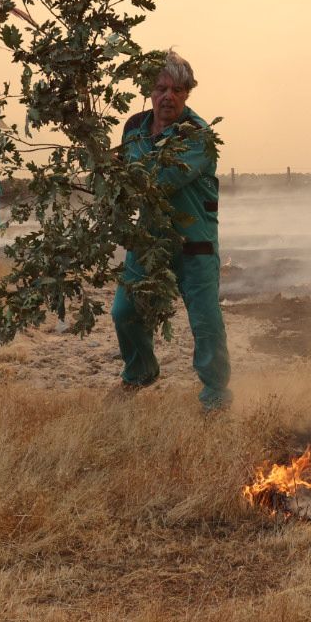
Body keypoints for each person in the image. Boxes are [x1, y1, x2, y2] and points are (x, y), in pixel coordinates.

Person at [109, 51, 232, 409]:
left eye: (178, 89)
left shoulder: (198, 136)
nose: (169, 97)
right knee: (124, 312)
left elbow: (161, 180)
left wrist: (117, 169)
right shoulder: (133, 127)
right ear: (149, 90)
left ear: (188, 94)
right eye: (161, 88)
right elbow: (127, 177)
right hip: (148, 239)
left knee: (206, 323)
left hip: (195, 244)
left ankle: (216, 398)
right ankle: (141, 373)